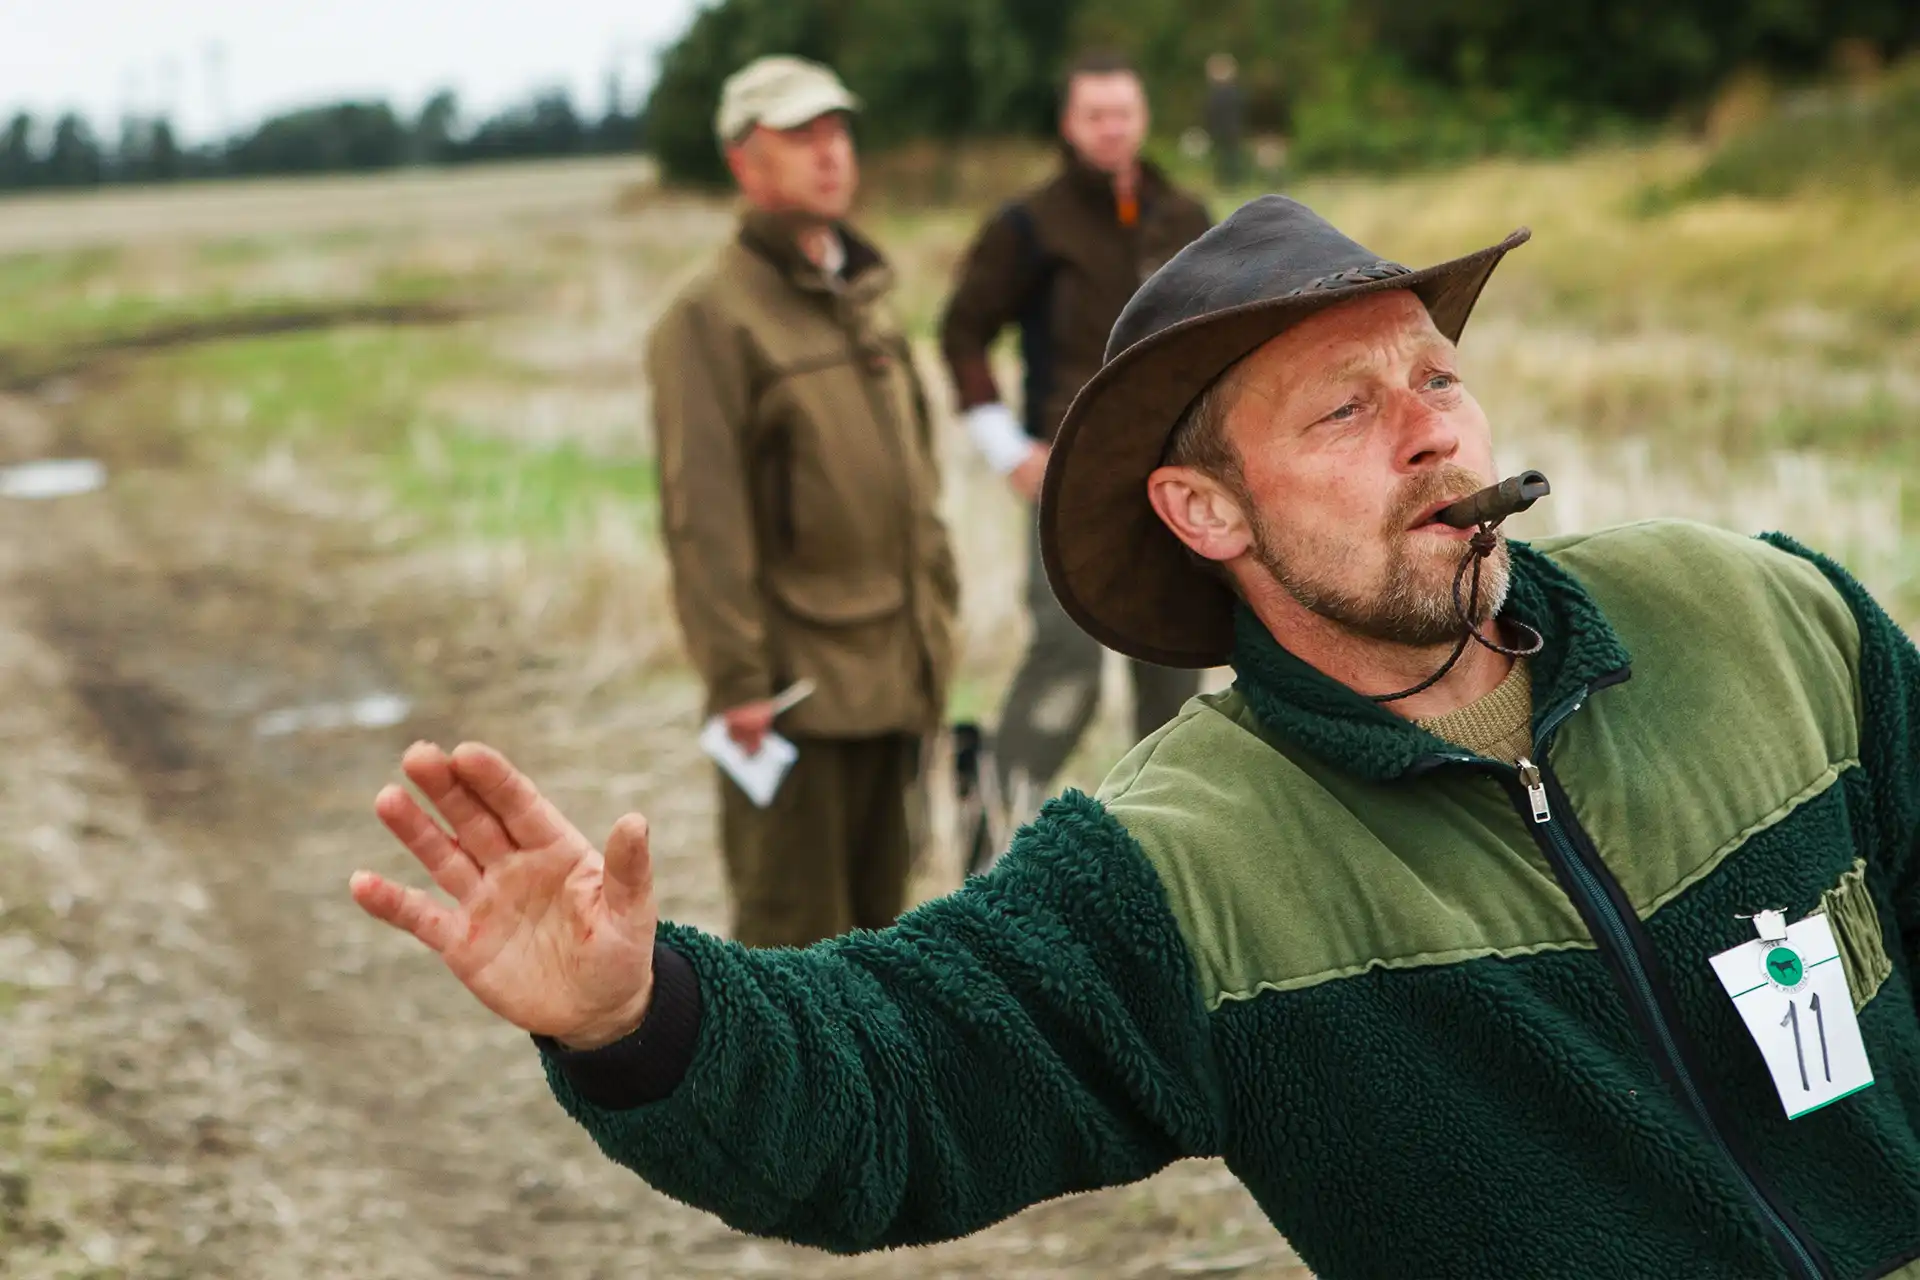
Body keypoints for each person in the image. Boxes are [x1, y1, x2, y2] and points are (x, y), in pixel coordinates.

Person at [350, 196, 1920, 1280]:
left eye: (1440, 376)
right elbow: (892, 1090)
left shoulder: (1764, 618)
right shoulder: (1184, 869)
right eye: (1347, 413)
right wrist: (640, 1020)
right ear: (1204, 510)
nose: (1437, 428)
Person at [640, 55, 958, 947]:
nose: (830, 153)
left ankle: (874, 1096)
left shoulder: (864, 299)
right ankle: (777, 1097)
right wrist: (739, 682)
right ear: (745, 163)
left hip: (896, 671)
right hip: (796, 695)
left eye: (838, 131)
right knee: (793, 945)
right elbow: (703, 517)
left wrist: (936, 632)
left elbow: (916, 484)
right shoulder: (708, 318)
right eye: (800, 136)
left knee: (884, 940)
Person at [939, 51, 1212, 844]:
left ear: (1143, 117)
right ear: (1069, 123)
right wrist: (1007, 449)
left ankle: (1164, 847)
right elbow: (961, 330)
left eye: (1123, 112)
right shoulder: (1030, 224)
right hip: (1070, 476)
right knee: (1067, 660)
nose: (1111, 128)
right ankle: (988, 836)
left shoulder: (1185, 214)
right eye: (1095, 115)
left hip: (1175, 473)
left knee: (1172, 662)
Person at [1203, 53, 1246, 188]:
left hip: (1227, 129)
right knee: (1227, 157)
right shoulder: (1231, 92)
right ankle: (1230, 181)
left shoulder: (1222, 93)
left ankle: (1231, 181)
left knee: (1228, 157)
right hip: (1229, 129)